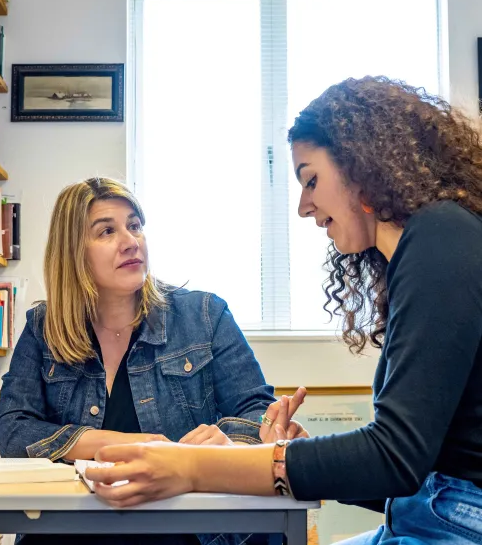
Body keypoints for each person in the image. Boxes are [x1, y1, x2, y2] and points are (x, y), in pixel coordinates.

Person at [86, 76, 482, 545]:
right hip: (434, 509)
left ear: (363, 167)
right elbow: (404, 469)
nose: (303, 206)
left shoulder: (440, 237)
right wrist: (288, 454)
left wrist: (196, 467)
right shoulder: (427, 249)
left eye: (311, 179)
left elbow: (394, 457)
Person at [0, 177, 304, 545]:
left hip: (187, 530)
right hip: (73, 528)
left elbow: (257, 411)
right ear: (72, 252)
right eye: (107, 231)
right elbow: (12, 428)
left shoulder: (204, 314)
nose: (130, 241)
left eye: (135, 226)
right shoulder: (44, 328)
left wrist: (226, 442)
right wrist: (124, 443)